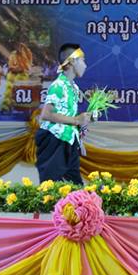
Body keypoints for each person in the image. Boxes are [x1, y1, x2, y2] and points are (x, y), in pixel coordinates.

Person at [35, 43, 91, 184]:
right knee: (51, 186)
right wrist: (76, 120)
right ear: (72, 62)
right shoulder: (58, 85)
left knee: (75, 186)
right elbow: (46, 114)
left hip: (69, 139)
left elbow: (68, 114)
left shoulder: (74, 87)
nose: (85, 65)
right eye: (82, 60)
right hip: (54, 140)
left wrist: (82, 122)